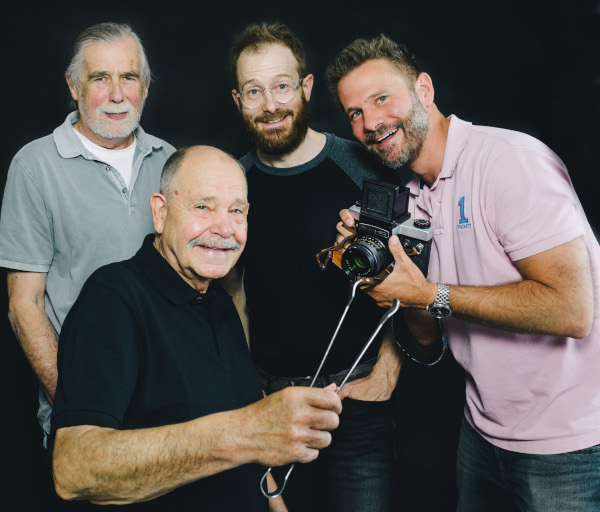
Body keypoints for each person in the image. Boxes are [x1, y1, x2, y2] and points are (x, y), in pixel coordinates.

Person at [326, 35, 600, 511]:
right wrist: (391, 278)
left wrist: (428, 291)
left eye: (381, 98)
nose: (370, 123)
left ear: (424, 90)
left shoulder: (509, 161)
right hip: (481, 433)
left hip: (568, 444)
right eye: (354, 113)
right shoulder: (408, 199)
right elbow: (428, 341)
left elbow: (573, 310)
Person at [228, 23, 461, 512]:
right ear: (238, 99)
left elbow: (411, 273)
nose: (270, 103)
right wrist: (247, 392)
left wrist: (388, 371)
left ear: (306, 88)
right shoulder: (234, 182)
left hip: (355, 404)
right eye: (254, 91)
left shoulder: (363, 162)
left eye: (282, 86)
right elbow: (234, 292)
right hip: (274, 405)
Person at [50, 145, 342, 511]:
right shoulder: (113, 298)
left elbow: (255, 455)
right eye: (203, 207)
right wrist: (243, 432)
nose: (224, 228)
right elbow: (73, 469)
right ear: (160, 212)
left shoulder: (219, 301)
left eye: (236, 211)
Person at [0, 22, 175, 451]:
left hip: (172, 409)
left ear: (146, 86)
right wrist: (78, 403)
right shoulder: (34, 166)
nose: (117, 95)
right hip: (88, 417)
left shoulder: (171, 161)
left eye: (129, 77)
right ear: (74, 86)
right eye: (100, 78)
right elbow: (24, 304)